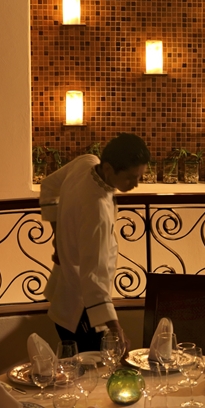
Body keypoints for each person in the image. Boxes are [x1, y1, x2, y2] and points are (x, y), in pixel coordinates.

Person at [39, 133, 149, 351]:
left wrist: (58, 235)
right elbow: (93, 279)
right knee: (92, 370)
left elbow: (48, 186)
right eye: (130, 178)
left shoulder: (86, 162)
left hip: (64, 294)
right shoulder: (96, 211)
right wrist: (117, 330)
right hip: (81, 310)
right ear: (108, 168)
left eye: (139, 177)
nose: (136, 184)